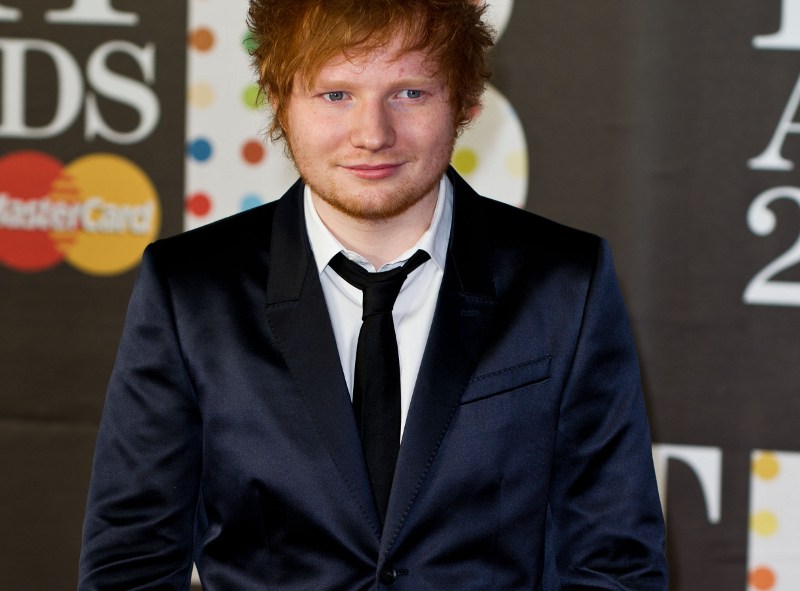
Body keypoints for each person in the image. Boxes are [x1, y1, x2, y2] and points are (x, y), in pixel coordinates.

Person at [78, 0, 668, 589]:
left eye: (410, 93)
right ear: (278, 101)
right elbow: (131, 562)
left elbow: (613, 562)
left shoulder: (564, 283)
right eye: (336, 94)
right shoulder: (190, 289)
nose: (372, 134)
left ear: (466, 101)